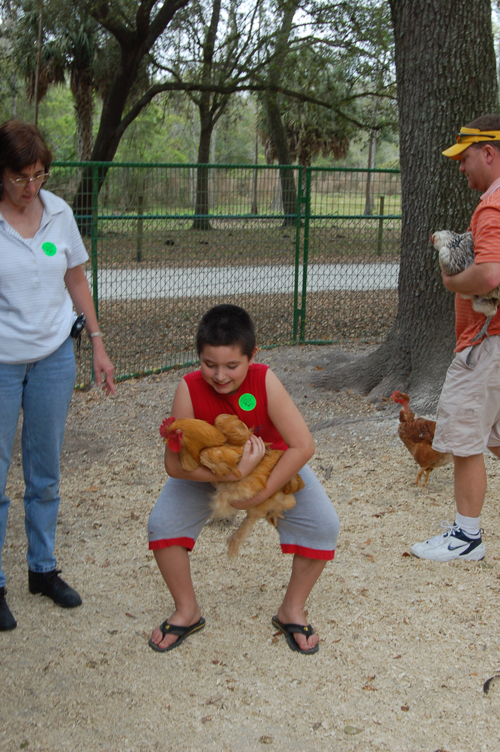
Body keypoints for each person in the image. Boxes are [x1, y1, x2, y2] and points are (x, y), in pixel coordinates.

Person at [148, 304, 340, 654]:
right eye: (209, 365)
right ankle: (187, 610)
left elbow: (303, 445)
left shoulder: (265, 379)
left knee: (324, 525)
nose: (220, 376)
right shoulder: (188, 389)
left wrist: (255, 491)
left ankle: (291, 609)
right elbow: (175, 466)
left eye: (232, 366)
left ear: (253, 355)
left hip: (271, 465)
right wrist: (236, 474)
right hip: (210, 473)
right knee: (162, 525)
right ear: (198, 358)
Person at [0, 120, 115, 631]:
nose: (31, 187)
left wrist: (97, 342)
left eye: (39, 175)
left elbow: (74, 277)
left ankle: (41, 570)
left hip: (53, 360)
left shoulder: (59, 213)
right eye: (20, 177)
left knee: (44, 472)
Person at [411, 114, 500, 562]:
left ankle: (466, 539)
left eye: (465, 158)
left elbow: (489, 274)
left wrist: (450, 278)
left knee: (465, 441)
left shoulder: (493, 204)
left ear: (488, 152)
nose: (461, 168)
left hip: (487, 343)